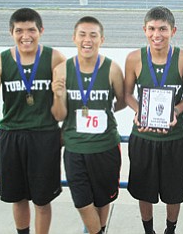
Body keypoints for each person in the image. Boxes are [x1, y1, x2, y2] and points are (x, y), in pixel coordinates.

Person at [0, 8, 66, 234]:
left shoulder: (55, 58)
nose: (26, 35)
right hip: (12, 135)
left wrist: (63, 131)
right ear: (11, 33)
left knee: (42, 201)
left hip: (44, 135)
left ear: (41, 31)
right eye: (19, 30)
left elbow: (66, 105)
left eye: (31, 30)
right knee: (18, 198)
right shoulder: (1, 60)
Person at [124, 6, 183, 234]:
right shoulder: (134, 58)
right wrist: (138, 111)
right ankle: (149, 231)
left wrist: (176, 111)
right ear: (144, 30)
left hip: (174, 137)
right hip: (143, 137)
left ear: (173, 30)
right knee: (144, 190)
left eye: (163, 29)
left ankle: (170, 230)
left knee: (174, 191)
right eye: (152, 29)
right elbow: (127, 94)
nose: (157, 34)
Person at [51, 16, 126, 234]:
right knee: (82, 203)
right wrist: (58, 96)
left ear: (101, 39)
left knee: (103, 200)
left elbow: (120, 101)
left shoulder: (112, 69)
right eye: (82, 35)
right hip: (75, 148)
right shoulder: (62, 70)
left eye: (93, 35)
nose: (87, 40)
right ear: (73, 38)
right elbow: (58, 115)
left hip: (105, 146)